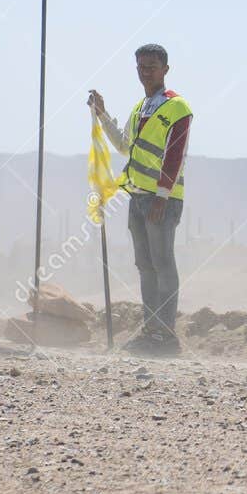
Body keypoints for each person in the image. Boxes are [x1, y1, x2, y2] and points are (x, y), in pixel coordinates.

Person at [88, 44, 193, 356]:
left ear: (165, 69)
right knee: (145, 265)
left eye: (151, 66)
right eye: (141, 66)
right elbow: (124, 145)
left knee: (163, 264)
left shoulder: (177, 108)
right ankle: (151, 329)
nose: (145, 71)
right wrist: (102, 115)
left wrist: (161, 195)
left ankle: (165, 334)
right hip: (137, 197)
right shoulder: (140, 108)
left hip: (162, 199)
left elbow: (175, 155)